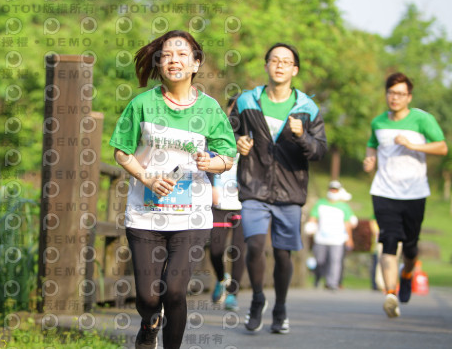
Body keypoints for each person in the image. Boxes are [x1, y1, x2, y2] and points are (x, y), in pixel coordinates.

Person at [109, 30, 236, 349]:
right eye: (166, 55)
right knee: (148, 296)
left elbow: (228, 156)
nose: (174, 60)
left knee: (175, 291)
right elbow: (121, 151)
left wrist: (212, 163)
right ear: (159, 63)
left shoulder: (209, 109)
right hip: (145, 213)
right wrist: (148, 178)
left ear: (195, 63)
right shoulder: (141, 104)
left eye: (182, 54)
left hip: (190, 216)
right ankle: (149, 322)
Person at [230, 42, 327, 334]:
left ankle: (281, 306)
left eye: (287, 61)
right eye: (275, 60)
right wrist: (237, 141)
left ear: (294, 70)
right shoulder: (247, 100)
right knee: (255, 245)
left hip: (289, 191)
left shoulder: (307, 108)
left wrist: (302, 137)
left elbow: (320, 150)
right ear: (266, 66)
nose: (280, 65)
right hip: (253, 185)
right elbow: (227, 131)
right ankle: (258, 298)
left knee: (283, 254)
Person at [363, 72, 447, 318]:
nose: (394, 98)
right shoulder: (378, 122)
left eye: (400, 94)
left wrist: (413, 145)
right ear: (386, 94)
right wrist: (370, 158)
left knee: (410, 247)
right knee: (388, 241)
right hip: (383, 191)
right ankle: (390, 294)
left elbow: (442, 147)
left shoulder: (422, 120)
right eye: (391, 93)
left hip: (414, 193)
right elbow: (372, 144)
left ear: (408, 97)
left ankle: (407, 274)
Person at [208, 95, 246, 312]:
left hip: (243, 202)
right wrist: (211, 184)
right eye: (234, 109)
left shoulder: (252, 137)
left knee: (239, 250)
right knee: (215, 249)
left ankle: (233, 294)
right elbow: (204, 158)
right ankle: (222, 279)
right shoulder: (216, 134)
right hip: (219, 201)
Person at [305, 180, 355, 290]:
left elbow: (347, 224)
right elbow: (313, 217)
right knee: (320, 261)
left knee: (335, 261)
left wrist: (349, 239)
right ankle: (318, 278)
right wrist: (310, 226)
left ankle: (332, 283)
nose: (333, 191)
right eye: (332, 189)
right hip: (321, 238)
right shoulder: (320, 203)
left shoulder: (344, 206)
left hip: (338, 239)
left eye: (335, 189)